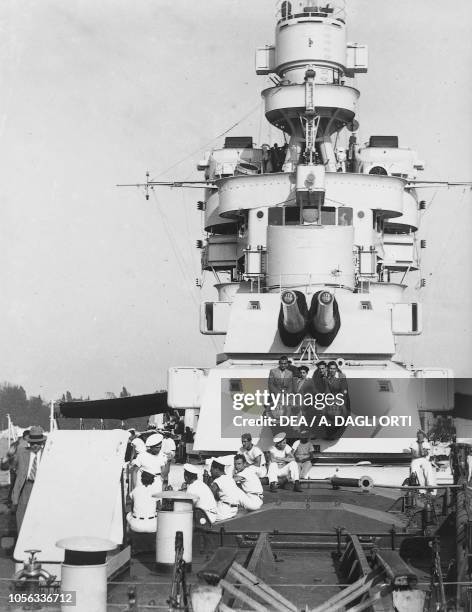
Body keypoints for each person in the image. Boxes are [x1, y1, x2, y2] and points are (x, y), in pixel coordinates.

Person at [9, 426, 47, 531]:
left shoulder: (48, 455)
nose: (35, 445)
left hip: (44, 488)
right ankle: (21, 543)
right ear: (29, 442)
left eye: (38, 443)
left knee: (42, 515)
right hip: (27, 486)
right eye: (33, 442)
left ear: (42, 443)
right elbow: (9, 464)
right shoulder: (21, 452)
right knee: (21, 515)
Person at [1, 429, 30, 507]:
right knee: (14, 485)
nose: (29, 438)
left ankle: (12, 500)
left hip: (20, 468)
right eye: (28, 436)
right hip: (14, 468)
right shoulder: (16, 444)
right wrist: (4, 463)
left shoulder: (26, 443)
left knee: (16, 485)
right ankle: (11, 501)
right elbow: (9, 454)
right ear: (25, 436)